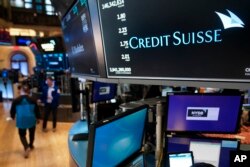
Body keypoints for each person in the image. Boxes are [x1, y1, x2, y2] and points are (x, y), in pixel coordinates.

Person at [10, 84, 40, 158]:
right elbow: (37, 110)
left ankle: (26, 147)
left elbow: (12, 110)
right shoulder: (33, 100)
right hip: (31, 119)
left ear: (21, 91)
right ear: (28, 91)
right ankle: (31, 145)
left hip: (21, 119)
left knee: (22, 135)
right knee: (31, 133)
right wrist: (38, 118)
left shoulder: (16, 100)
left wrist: (12, 116)